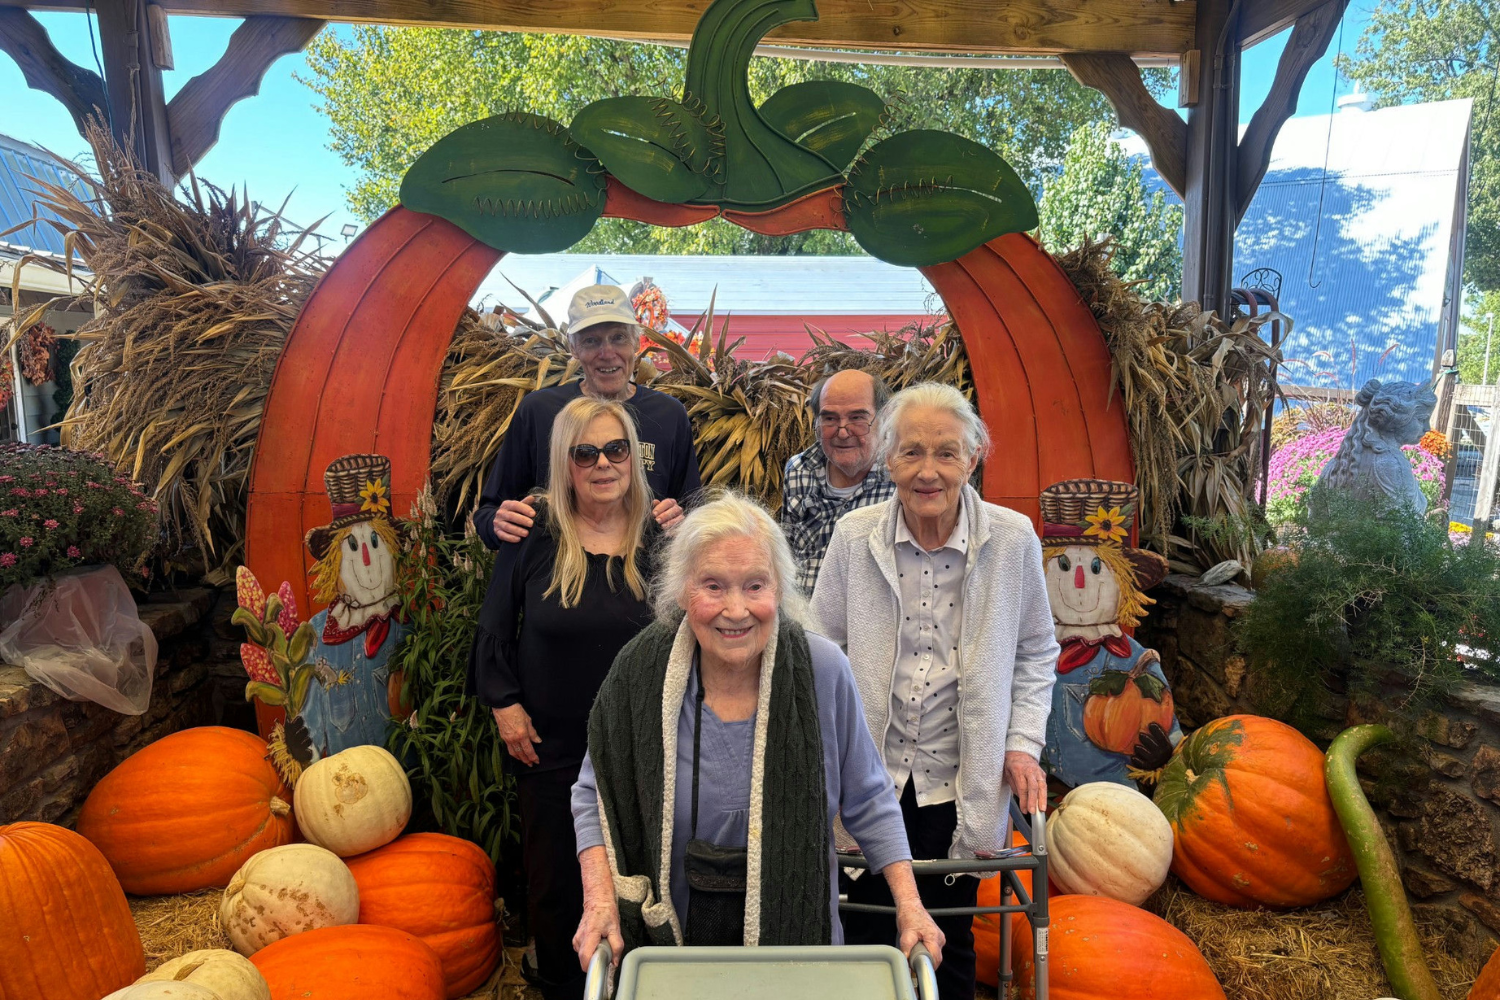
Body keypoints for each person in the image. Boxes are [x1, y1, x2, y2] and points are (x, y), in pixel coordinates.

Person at [569, 492, 945, 969]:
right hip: (671, 952)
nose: (735, 609)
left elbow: (871, 799)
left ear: (780, 592)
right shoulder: (641, 674)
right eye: (713, 586)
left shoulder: (821, 670)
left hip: (797, 953)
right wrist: (600, 902)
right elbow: (593, 793)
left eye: (754, 586)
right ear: (683, 591)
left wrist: (911, 908)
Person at [810, 382, 1059, 1000]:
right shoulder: (854, 537)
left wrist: (1022, 743)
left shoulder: (1012, 539)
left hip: (958, 776)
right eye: (912, 452)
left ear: (972, 459)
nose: (929, 471)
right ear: (886, 458)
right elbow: (820, 649)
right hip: (870, 779)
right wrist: (829, 750)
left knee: (950, 944)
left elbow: (1034, 650)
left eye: (946, 453)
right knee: (866, 936)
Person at [467, 396, 660, 1000]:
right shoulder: (536, 532)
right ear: (564, 463)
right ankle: (560, 982)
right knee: (556, 880)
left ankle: (637, 982)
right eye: (585, 453)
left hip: (641, 745)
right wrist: (503, 702)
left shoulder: (662, 536)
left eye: (616, 449)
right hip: (550, 744)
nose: (603, 464)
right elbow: (496, 623)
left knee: (638, 872)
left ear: (633, 456)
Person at [473, 284, 701, 549]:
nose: (607, 353)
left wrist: (681, 522)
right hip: (553, 578)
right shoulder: (539, 411)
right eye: (591, 341)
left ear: (636, 342)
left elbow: (694, 515)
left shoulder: (669, 415)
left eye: (618, 337)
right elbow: (489, 513)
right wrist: (498, 524)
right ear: (573, 347)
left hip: (644, 582)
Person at [781, 369, 896, 593]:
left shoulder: (900, 479)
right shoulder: (798, 471)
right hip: (807, 622)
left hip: (869, 622)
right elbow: (788, 558)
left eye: (857, 418)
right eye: (830, 419)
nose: (842, 432)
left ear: (883, 419)